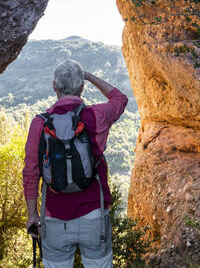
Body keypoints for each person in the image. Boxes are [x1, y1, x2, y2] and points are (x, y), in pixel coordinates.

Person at [22, 59, 128, 267]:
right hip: (94, 214)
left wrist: (33, 215)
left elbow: (31, 172)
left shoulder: (40, 123)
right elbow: (120, 98)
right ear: (81, 87)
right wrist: (88, 76)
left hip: (54, 218)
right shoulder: (95, 116)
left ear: (54, 87)